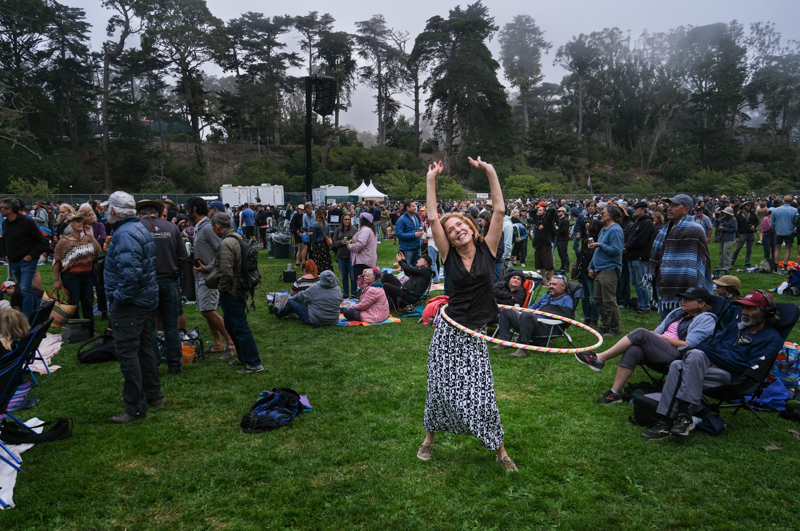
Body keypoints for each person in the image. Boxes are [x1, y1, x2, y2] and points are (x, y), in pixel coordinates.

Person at [418, 157, 517, 472]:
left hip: (476, 333)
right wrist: (431, 178)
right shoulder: (447, 256)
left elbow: (499, 211)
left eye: (460, 224)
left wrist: (490, 170)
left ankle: (501, 452)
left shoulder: (488, 249)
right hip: (449, 331)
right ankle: (429, 439)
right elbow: (433, 216)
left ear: (471, 226)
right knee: (440, 386)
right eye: (450, 229)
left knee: (483, 392)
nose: (456, 229)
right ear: (445, 237)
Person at [642, 290, 784, 439]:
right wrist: (708, 353)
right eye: (743, 308)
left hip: (732, 378)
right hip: (708, 367)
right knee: (679, 364)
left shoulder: (772, 339)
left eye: (751, 309)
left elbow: (747, 369)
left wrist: (710, 355)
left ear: (767, 312)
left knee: (688, 360)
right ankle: (682, 418)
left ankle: (667, 420)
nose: (744, 312)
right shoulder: (735, 328)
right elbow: (713, 346)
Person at [575, 287, 717, 404]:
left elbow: (687, 345)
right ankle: (615, 393)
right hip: (661, 349)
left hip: (679, 355)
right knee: (634, 349)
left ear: (701, 304)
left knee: (641, 333)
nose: (683, 300)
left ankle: (600, 358)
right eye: (683, 297)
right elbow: (657, 332)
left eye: (688, 299)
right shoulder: (677, 312)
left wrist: (657, 338)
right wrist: (654, 337)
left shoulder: (706, 319)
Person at [103, 191, 162, 424]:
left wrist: (119, 298)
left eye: (108, 208)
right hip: (144, 299)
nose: (106, 212)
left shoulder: (126, 234)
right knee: (144, 349)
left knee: (128, 354)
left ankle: (136, 407)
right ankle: (154, 395)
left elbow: (131, 273)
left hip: (131, 303)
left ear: (114, 211)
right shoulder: (137, 228)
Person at [202, 213, 263, 375]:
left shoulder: (226, 243)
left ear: (216, 226)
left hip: (232, 290)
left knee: (240, 326)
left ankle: (254, 363)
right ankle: (243, 357)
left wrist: (222, 289)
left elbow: (226, 272)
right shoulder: (237, 237)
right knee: (230, 324)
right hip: (240, 287)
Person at [136, 200, 188, 376]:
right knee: (171, 325)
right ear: (158, 213)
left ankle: (154, 364)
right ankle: (175, 363)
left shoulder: (136, 228)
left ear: (140, 213)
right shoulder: (171, 228)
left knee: (149, 325)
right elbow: (183, 255)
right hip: (168, 281)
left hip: (146, 283)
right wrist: (175, 273)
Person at [647, 194, 713, 320]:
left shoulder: (695, 229)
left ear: (686, 210)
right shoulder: (665, 228)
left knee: (682, 325)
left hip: (684, 285)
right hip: (662, 282)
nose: (669, 208)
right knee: (666, 324)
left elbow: (700, 258)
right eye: (669, 205)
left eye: (675, 206)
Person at [187, 197, 235, 359]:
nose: (187, 212)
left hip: (209, 276)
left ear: (194, 209)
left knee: (209, 310)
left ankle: (232, 343)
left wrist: (207, 267)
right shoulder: (200, 227)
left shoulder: (208, 227)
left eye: (188, 209)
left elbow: (221, 249)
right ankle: (218, 343)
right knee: (205, 311)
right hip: (201, 276)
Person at [493, 274, 575, 358]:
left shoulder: (567, 300)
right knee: (506, 310)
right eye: (550, 284)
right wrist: (527, 312)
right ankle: (504, 342)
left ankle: (523, 348)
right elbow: (531, 308)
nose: (550, 286)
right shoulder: (546, 296)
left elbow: (564, 318)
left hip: (547, 327)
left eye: (554, 284)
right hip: (529, 321)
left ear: (563, 287)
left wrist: (537, 312)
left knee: (527, 315)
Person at [52, 213, 102, 336]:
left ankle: (90, 328)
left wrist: (91, 235)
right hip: (71, 276)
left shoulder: (87, 238)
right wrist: (56, 280)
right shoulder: (64, 242)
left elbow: (99, 251)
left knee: (88, 302)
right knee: (73, 303)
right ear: (70, 226)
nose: (81, 224)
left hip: (87, 275)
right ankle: (77, 329)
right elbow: (57, 261)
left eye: (81, 222)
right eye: (77, 222)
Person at [1, 197, 49, 319]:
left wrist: (31, 256)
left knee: (25, 289)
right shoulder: (5, 223)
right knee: (27, 289)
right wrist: (6, 254)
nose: (0, 210)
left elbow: (40, 241)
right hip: (13, 260)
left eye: (1, 207)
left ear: (10, 209)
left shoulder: (27, 222)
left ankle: (26, 318)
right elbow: (6, 240)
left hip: (27, 260)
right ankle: (35, 312)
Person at [588, 205, 624, 337]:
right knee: (598, 299)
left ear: (611, 215)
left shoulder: (615, 230)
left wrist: (600, 244)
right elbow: (598, 251)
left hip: (609, 269)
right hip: (599, 269)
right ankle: (605, 324)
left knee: (609, 301)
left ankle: (615, 329)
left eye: (603, 213)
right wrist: (591, 266)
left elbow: (616, 251)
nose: (600, 215)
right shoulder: (604, 229)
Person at [271, 270, 343, 327]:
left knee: (290, 302)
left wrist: (288, 301)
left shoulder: (316, 288)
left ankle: (280, 312)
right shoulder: (338, 289)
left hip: (315, 319)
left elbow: (299, 297)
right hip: (334, 320)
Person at [625, 201, 655, 315]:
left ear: (643, 210)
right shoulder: (637, 223)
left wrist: (627, 247)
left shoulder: (647, 223)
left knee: (641, 282)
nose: (634, 210)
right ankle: (641, 303)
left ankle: (646, 305)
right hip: (632, 256)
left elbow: (640, 240)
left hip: (640, 256)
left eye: (636, 209)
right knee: (635, 282)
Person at [531, 205, 557, 286]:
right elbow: (531, 211)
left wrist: (546, 210)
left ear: (545, 212)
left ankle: (551, 281)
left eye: (540, 210)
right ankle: (544, 280)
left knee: (548, 264)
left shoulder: (547, 220)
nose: (538, 211)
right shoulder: (538, 220)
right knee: (540, 264)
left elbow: (552, 210)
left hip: (545, 245)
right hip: (538, 245)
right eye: (538, 210)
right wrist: (538, 210)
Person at [332, 214, 358, 297]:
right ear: (342, 220)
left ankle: (354, 293)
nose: (347, 221)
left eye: (348, 219)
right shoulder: (338, 230)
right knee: (344, 277)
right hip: (341, 256)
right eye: (345, 219)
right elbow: (333, 242)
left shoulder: (354, 229)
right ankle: (345, 293)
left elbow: (359, 241)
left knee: (353, 277)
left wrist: (352, 243)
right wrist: (341, 242)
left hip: (351, 256)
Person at [771, 195, 797, 270]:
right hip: (790, 231)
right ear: (791, 201)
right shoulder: (794, 210)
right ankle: (785, 265)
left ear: (783, 201)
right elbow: (795, 221)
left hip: (778, 230)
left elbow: (772, 222)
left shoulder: (776, 210)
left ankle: (776, 264)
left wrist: (774, 228)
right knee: (788, 248)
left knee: (777, 248)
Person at [348, 213, 378, 278]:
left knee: (362, 282)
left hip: (363, 261)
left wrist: (350, 246)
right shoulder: (370, 230)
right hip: (368, 259)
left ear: (362, 220)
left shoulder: (365, 230)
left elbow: (360, 244)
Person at [396, 200, 423, 264]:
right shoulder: (401, 220)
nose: (415, 207)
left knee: (417, 268)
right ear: (408, 208)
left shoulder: (415, 217)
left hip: (417, 247)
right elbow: (399, 234)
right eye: (413, 206)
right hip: (407, 249)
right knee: (406, 269)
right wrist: (413, 235)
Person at [308, 209, 333, 273]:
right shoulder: (326, 223)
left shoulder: (315, 224)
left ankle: (319, 271)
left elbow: (314, 236)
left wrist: (312, 245)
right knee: (325, 259)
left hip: (318, 244)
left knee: (318, 260)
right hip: (324, 244)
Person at [717, 207, 737, 272]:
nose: (724, 213)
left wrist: (724, 228)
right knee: (721, 252)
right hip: (722, 237)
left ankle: (728, 265)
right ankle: (721, 264)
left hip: (729, 238)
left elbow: (735, 229)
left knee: (726, 252)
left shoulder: (733, 220)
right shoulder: (723, 219)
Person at [555, 207, 571, 271]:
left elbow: (565, 231)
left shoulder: (565, 220)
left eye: (559, 211)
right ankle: (563, 266)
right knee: (560, 254)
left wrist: (557, 229)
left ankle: (567, 267)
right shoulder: (560, 220)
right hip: (559, 239)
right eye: (558, 211)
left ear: (563, 212)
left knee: (564, 254)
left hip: (563, 239)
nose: (558, 213)